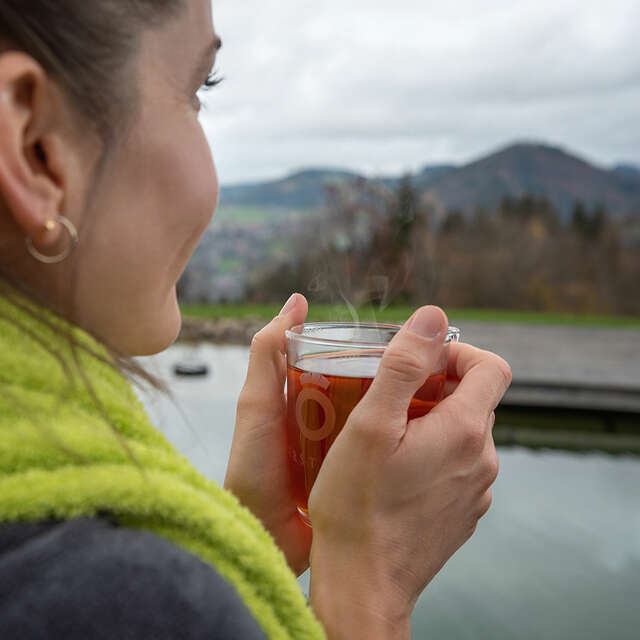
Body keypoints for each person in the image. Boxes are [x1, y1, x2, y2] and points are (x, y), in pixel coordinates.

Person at [0, 1, 512, 638]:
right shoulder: (102, 592)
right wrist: (368, 587)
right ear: (35, 147)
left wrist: (249, 538)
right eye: (196, 91)